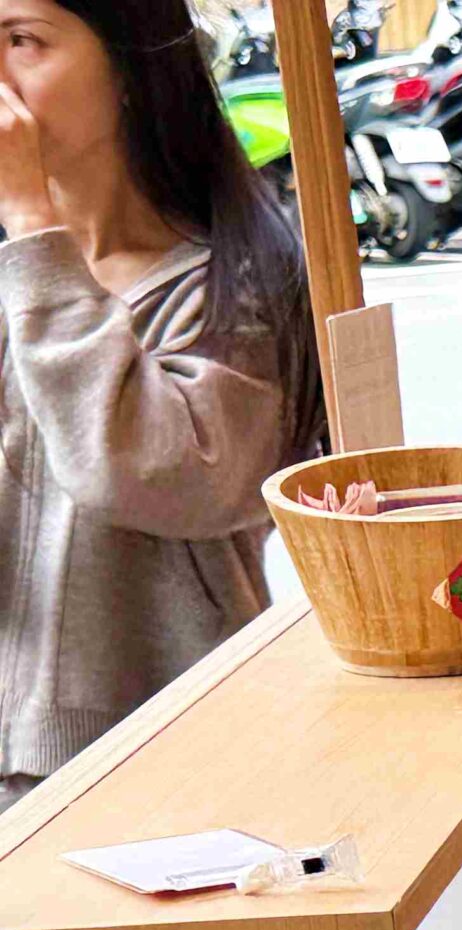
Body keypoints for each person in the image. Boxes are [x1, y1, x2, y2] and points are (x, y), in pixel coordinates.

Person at [0, 0, 322, 809]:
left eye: (20, 40)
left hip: (174, 764)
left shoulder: (234, 286)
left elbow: (144, 472)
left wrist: (33, 224)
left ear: (130, 66)